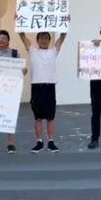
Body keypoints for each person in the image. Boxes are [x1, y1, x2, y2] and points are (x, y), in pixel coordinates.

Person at [17, 21, 69, 153]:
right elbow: (22, 36)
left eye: (46, 38)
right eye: (41, 38)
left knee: (50, 117)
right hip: (37, 87)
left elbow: (62, 37)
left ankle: (51, 142)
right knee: (38, 117)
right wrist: (18, 20)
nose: (44, 40)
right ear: (37, 40)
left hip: (50, 87)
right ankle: (39, 142)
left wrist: (65, 22)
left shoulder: (53, 51)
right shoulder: (32, 50)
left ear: (49, 40)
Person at [0, 30, 27, 154]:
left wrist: (23, 71)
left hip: (9, 91)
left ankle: (11, 144)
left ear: (8, 40)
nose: (1, 40)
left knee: (9, 117)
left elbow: (21, 70)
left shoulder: (14, 53)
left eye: (4, 38)